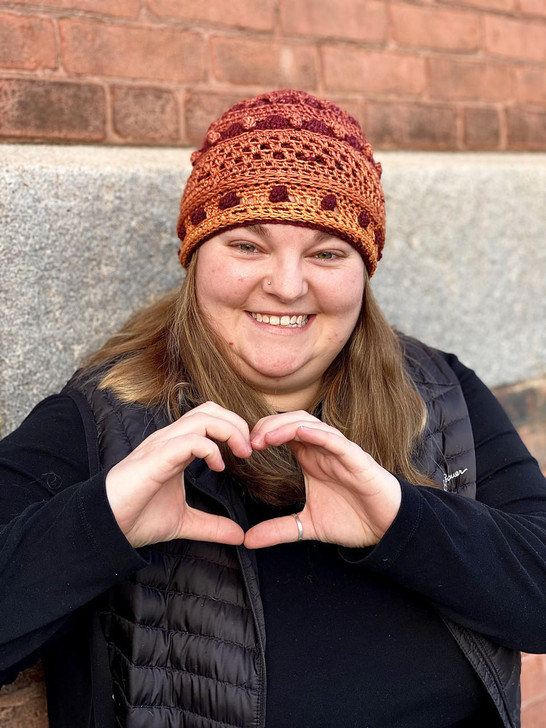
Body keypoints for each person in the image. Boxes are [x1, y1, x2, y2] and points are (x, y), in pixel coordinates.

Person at [0, 89, 545, 728]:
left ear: (362, 272)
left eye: (326, 252)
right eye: (248, 246)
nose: (287, 284)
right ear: (195, 256)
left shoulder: (439, 393)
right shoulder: (101, 419)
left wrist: (402, 522)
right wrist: (101, 522)